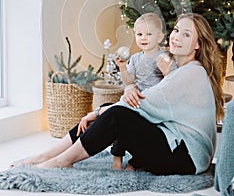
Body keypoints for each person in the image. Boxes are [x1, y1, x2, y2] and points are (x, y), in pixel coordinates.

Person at [12, 13, 224, 176]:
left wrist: (100, 111)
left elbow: (145, 102)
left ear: (198, 44)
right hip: (174, 145)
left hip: (186, 158)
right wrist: (103, 111)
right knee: (118, 113)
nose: (176, 37)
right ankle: (46, 156)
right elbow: (145, 104)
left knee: (118, 116)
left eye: (186, 34)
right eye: (176, 30)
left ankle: (59, 161)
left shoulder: (192, 73)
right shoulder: (182, 68)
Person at [112, 12, 176, 169]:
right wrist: (122, 68)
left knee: (146, 136)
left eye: (149, 34)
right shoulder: (134, 58)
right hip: (136, 100)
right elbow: (129, 81)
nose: (144, 38)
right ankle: (117, 157)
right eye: (139, 34)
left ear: (160, 37)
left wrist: (166, 70)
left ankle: (136, 161)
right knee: (120, 117)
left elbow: (172, 80)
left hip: (154, 104)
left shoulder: (164, 56)